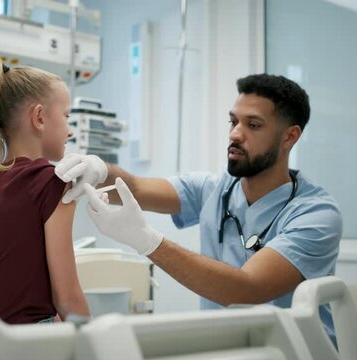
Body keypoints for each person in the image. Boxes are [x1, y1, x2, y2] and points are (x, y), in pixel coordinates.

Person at [55, 74, 342, 342]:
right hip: (228, 349)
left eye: (253, 125)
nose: (235, 135)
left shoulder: (315, 215)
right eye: (233, 122)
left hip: (297, 351)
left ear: (290, 137)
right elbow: (138, 188)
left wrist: (147, 241)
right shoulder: (216, 189)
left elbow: (247, 289)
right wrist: (99, 169)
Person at [0, 59, 90, 324]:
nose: (70, 130)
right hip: (29, 343)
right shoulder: (51, 182)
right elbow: (68, 299)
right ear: (40, 117)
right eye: (66, 116)